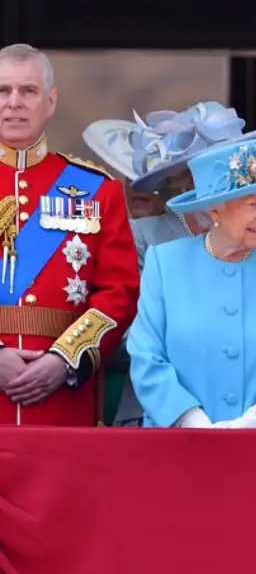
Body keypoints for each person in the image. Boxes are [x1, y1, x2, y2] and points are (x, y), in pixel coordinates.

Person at [84, 103, 256, 426]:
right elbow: (120, 340)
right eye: (216, 166)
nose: (228, 177)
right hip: (154, 416)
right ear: (186, 176)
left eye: (233, 166)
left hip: (241, 418)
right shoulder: (143, 236)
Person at [127, 138, 256, 428]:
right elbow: (145, 358)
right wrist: (189, 419)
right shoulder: (165, 263)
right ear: (214, 210)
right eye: (252, 204)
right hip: (175, 448)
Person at [0, 43, 140, 426]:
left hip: (60, 397)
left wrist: (64, 360)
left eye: (28, 91)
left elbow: (120, 291)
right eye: (3, 91)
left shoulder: (96, 188)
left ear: (51, 101)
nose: (14, 102)